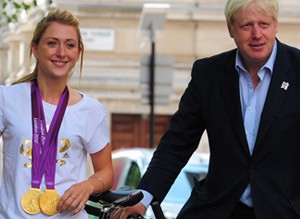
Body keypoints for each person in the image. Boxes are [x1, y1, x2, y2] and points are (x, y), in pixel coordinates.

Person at [111, 0, 300, 218]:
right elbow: (177, 144)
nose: (256, 34)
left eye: (264, 24)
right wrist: (143, 196)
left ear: (276, 25)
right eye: (247, 25)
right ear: (230, 28)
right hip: (218, 209)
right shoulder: (208, 74)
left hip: (284, 211)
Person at [0, 8, 114, 219]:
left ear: (78, 52)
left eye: (70, 45)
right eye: (52, 43)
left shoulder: (91, 110)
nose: (61, 52)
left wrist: (88, 185)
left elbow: (106, 172)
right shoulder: (6, 98)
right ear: (35, 48)